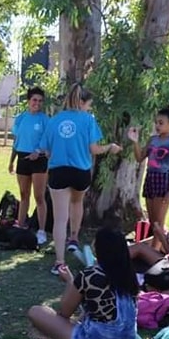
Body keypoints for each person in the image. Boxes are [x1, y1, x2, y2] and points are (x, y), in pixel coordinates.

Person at [41, 84, 122, 275]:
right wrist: (110, 146)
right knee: (77, 202)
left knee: (60, 219)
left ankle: (59, 263)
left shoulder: (54, 120)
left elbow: (46, 150)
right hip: (81, 172)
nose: (89, 109)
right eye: (89, 105)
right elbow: (94, 150)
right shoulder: (88, 120)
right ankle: (74, 238)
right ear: (82, 102)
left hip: (58, 171)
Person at [27, 227, 138, 339]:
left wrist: (70, 282)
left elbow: (64, 313)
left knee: (35, 311)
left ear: (99, 248)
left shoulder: (90, 275)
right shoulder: (128, 274)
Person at [128, 104, 169, 233]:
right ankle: (153, 250)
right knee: (152, 222)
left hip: (163, 179)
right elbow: (139, 158)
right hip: (150, 178)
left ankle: (159, 249)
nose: (157, 126)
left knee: (159, 223)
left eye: (161, 123)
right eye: (156, 123)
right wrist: (135, 142)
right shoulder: (152, 140)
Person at [8, 87, 50, 243]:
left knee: (39, 196)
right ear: (28, 101)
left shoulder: (45, 119)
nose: (37, 103)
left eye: (40, 101)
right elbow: (16, 141)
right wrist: (11, 161)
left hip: (39, 160)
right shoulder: (20, 118)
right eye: (34, 100)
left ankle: (41, 231)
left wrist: (38, 151)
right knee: (24, 194)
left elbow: (49, 142)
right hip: (23, 158)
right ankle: (20, 225)